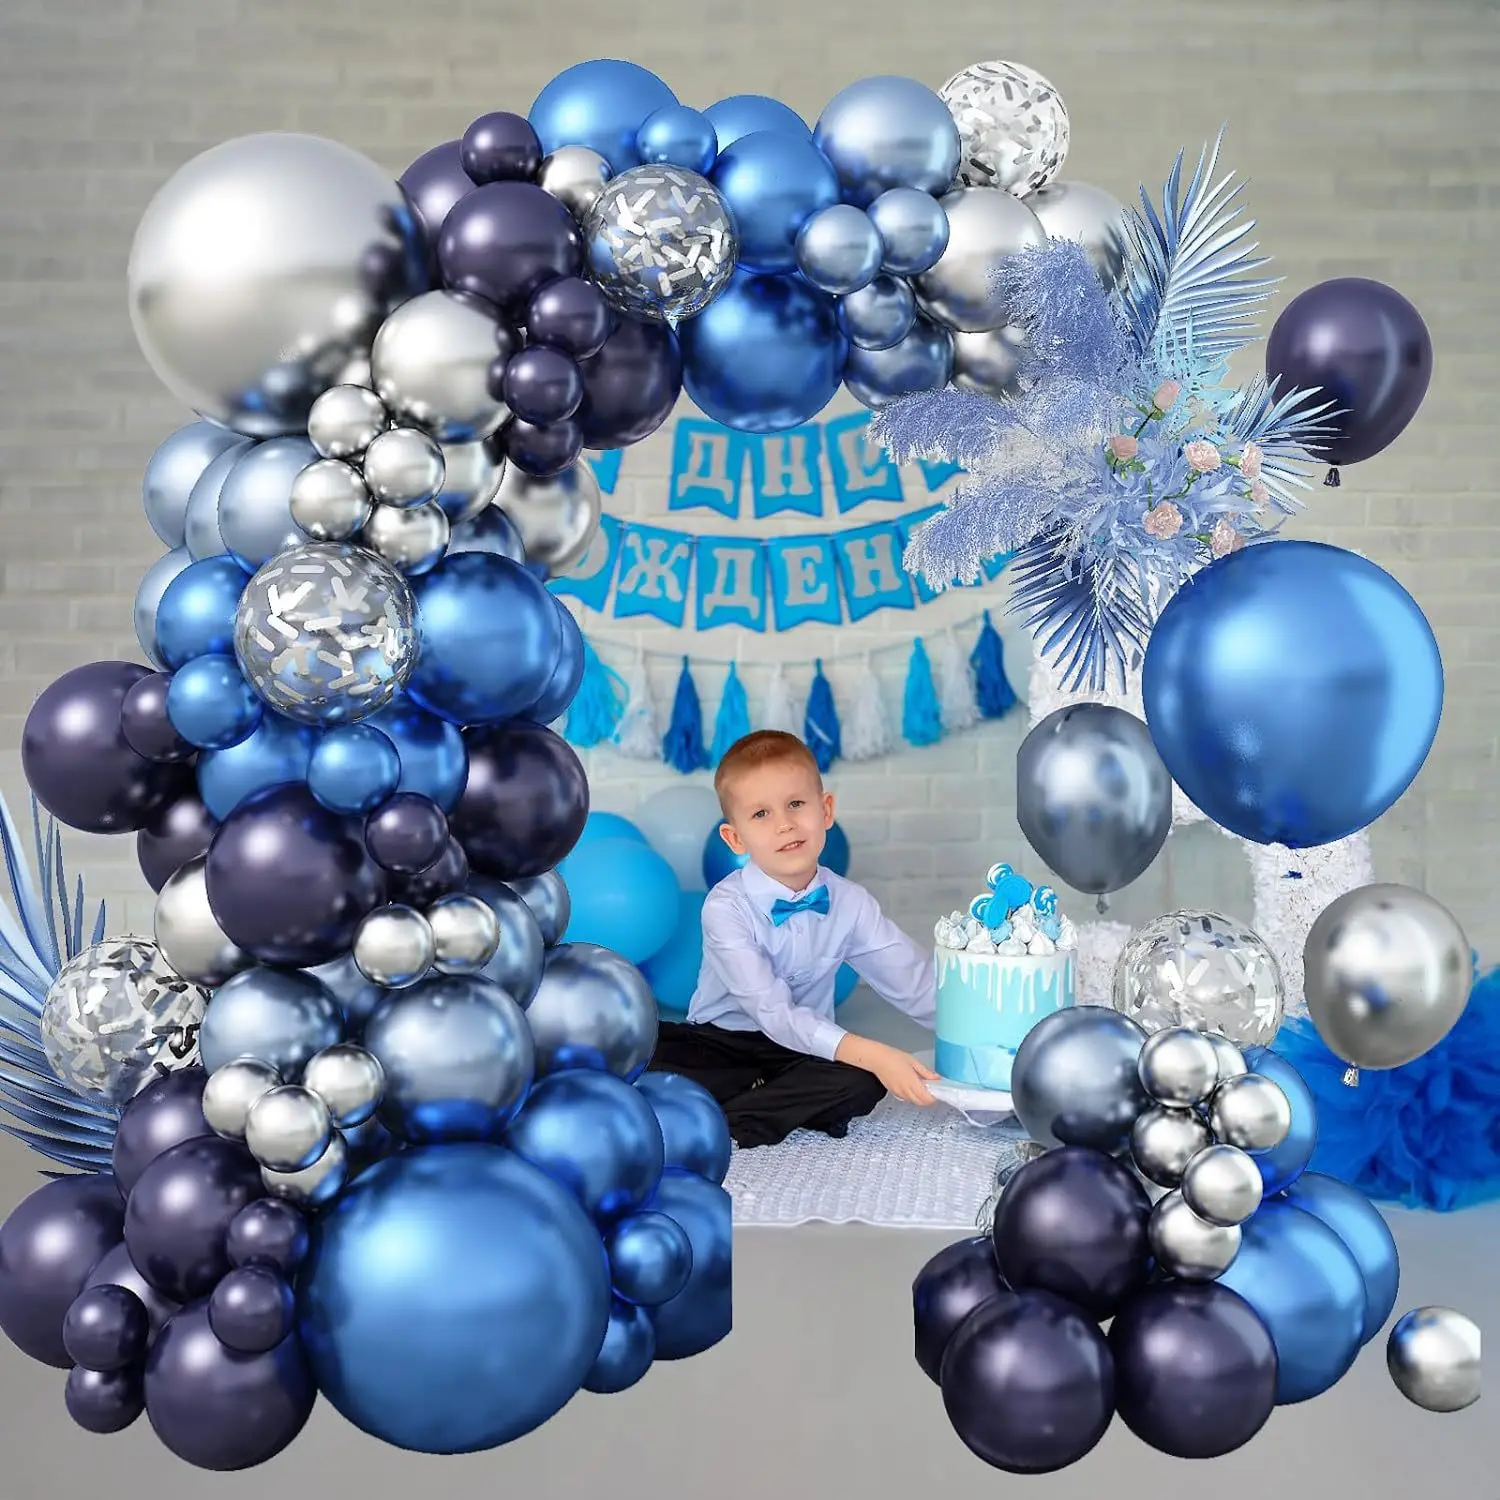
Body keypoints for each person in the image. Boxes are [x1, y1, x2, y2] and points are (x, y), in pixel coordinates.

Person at [647, 729, 941, 1149]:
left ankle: (731, 1112)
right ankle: (758, 1101)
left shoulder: (850, 902)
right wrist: (876, 1052)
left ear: (826, 810)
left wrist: (983, 1038)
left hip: (803, 1051)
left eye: (796, 804)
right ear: (735, 838)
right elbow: (773, 1013)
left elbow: (914, 981)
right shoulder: (725, 906)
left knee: (862, 1081)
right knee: (646, 1049)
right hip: (722, 1043)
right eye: (761, 814)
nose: (784, 824)